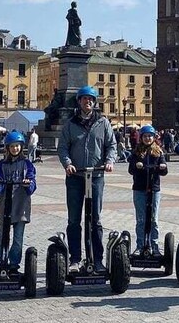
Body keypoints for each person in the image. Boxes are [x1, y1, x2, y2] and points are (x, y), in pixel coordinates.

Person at [58, 85, 116, 273]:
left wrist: (109, 161)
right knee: (74, 219)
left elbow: (111, 145)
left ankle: (97, 259)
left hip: (96, 176)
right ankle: (75, 259)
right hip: (75, 177)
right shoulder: (70, 124)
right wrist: (67, 164)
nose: (87, 102)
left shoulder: (103, 123)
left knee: (95, 220)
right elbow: (63, 148)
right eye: (84, 99)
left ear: (94, 102)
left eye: (90, 99)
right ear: (79, 101)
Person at [0, 131, 37, 274]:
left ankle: (14, 264)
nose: (15, 149)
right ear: (7, 148)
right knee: (2, 236)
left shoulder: (27, 164)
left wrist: (28, 184)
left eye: (17, 146)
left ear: (21, 147)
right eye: (12, 146)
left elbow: (32, 182)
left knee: (17, 239)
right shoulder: (1, 165)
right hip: (6, 207)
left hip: (21, 207)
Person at [128, 125, 167, 255]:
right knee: (141, 219)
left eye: (150, 136)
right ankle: (140, 246)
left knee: (154, 219)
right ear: (141, 138)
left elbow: (164, 171)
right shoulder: (136, 152)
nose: (147, 138)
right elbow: (131, 170)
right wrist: (136, 165)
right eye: (145, 136)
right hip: (139, 189)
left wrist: (162, 166)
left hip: (154, 189)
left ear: (154, 137)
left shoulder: (158, 152)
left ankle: (154, 246)